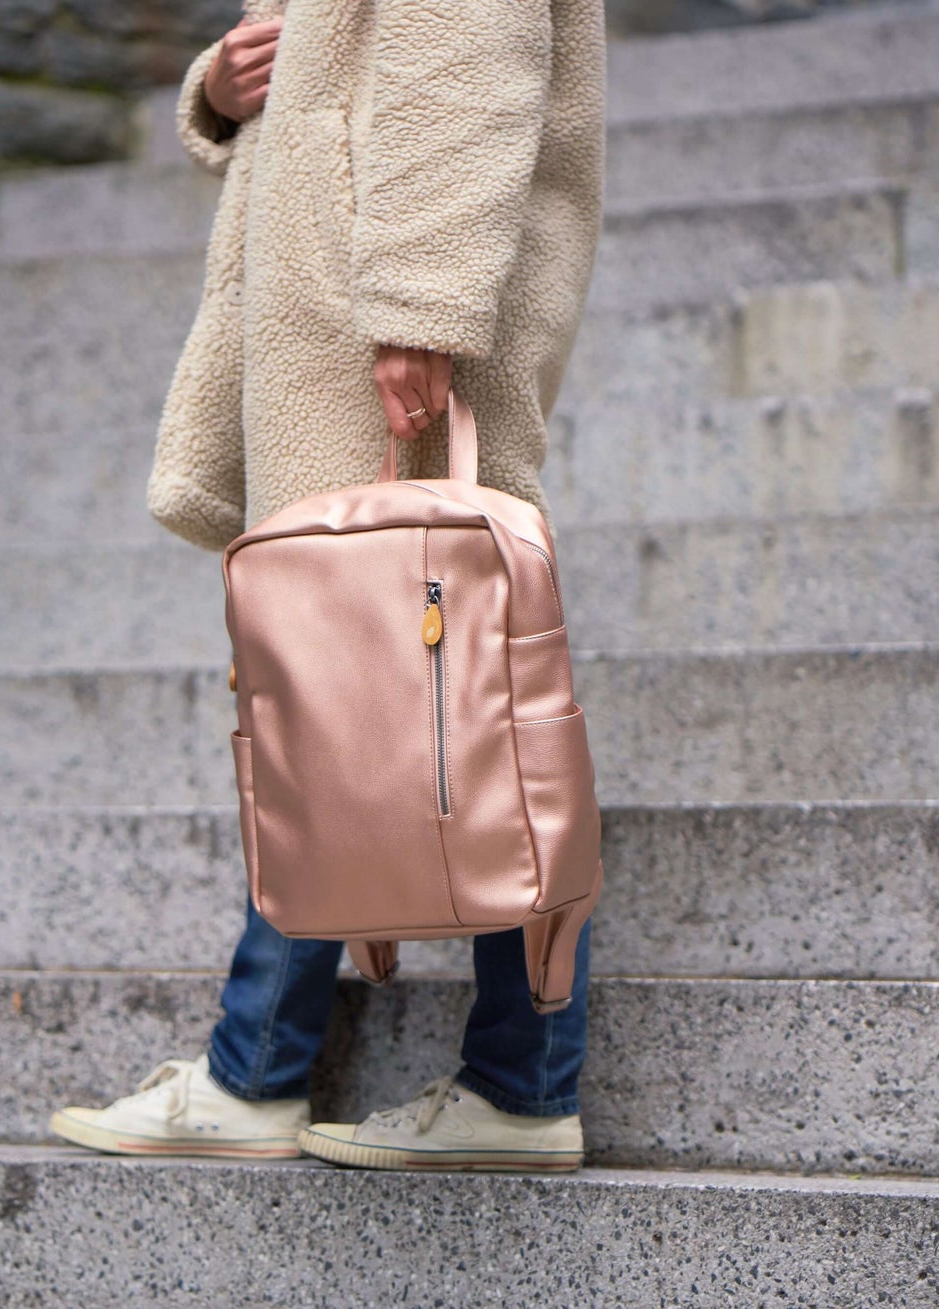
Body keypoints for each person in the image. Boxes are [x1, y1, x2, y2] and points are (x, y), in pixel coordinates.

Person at [50, 0, 606, 1172]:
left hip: (384, 317)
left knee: (445, 698)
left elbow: (468, 56)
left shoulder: (411, 311)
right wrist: (227, 83)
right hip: (340, 312)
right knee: (357, 696)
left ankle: (492, 1081)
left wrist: (420, 306)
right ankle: (285, 1069)